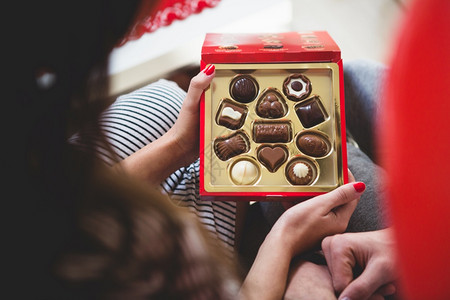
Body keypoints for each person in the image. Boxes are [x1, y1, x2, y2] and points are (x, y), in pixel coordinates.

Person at [7, 0, 371, 299]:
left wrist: (180, 145)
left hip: (194, 168)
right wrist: (287, 237)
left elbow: (76, 204)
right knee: (356, 80)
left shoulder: (35, 179)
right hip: (243, 223)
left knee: (351, 80)